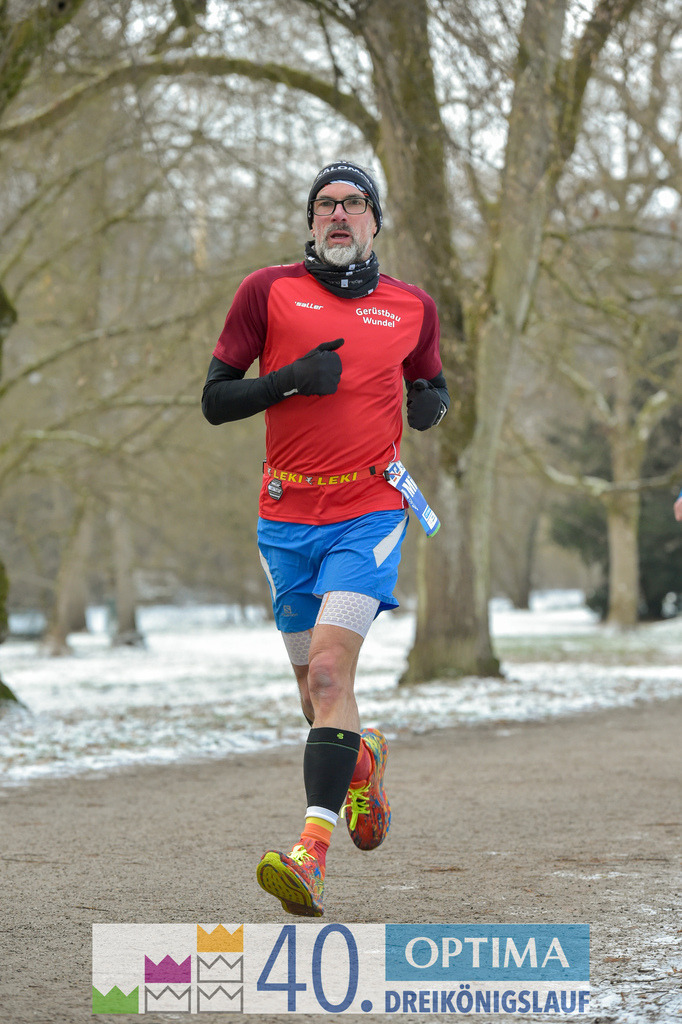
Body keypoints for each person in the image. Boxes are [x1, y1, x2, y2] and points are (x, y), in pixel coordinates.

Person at [202, 160, 449, 917]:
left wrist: (429, 405)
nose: (339, 213)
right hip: (284, 519)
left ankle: (309, 856)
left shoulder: (412, 306)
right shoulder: (265, 292)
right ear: (311, 221)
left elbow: (429, 381)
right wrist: (286, 381)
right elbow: (215, 400)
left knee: (330, 676)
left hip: (369, 513)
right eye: (325, 204)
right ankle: (362, 759)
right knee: (316, 698)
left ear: (376, 220)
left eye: (354, 203)